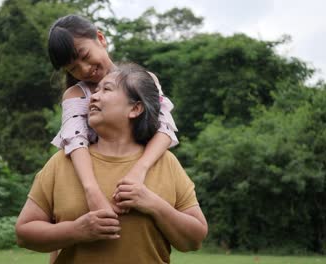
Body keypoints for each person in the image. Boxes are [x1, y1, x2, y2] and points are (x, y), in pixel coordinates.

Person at [15, 63, 208, 263]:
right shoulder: (62, 161)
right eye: (95, 91)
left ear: (135, 108)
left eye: (106, 89)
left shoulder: (166, 163)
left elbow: (194, 240)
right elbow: (24, 234)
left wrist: (152, 203)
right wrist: (77, 230)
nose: (94, 97)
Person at [47, 14, 178, 217]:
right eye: (73, 68)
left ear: (100, 39)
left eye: (84, 55)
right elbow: (75, 140)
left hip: (141, 171)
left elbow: (164, 127)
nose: (84, 69)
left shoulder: (144, 80)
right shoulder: (77, 94)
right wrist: (92, 192)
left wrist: (139, 171)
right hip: (90, 178)